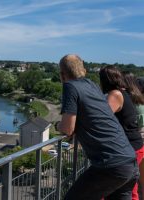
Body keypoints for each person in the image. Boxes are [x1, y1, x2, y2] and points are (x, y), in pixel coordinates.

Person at [56, 54, 139, 200]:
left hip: (111, 165)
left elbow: (67, 129)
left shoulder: (70, 86)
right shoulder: (92, 85)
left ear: (62, 75)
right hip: (129, 161)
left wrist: (58, 126)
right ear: (84, 71)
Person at [99, 66, 144, 200]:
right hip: (134, 146)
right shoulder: (127, 94)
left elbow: (100, 118)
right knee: (130, 187)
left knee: (109, 187)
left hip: (129, 148)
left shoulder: (115, 94)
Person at [122, 72, 144, 199]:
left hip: (135, 144)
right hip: (140, 143)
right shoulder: (140, 101)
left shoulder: (129, 101)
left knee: (132, 180)